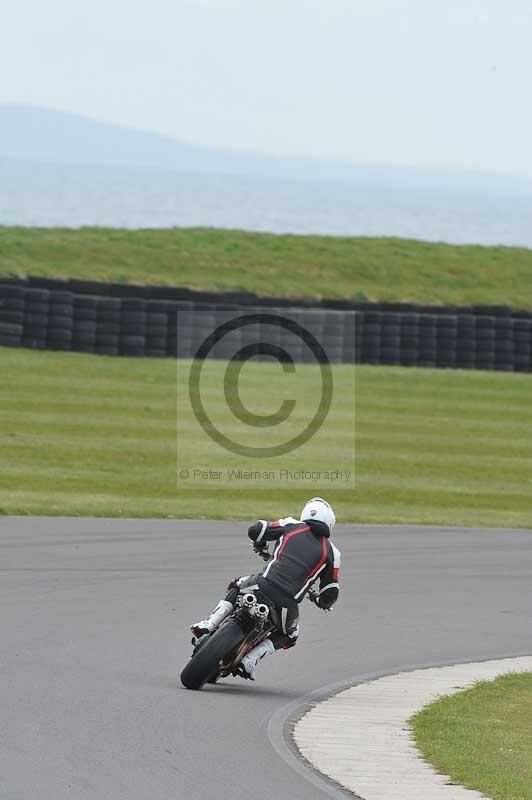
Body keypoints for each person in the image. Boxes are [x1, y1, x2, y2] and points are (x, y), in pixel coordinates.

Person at [190, 497, 341, 680]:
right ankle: (250, 660)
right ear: (330, 523)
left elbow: (256, 529)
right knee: (291, 635)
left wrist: (260, 545)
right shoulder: (333, 553)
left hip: (262, 585)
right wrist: (322, 602)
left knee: (237, 584)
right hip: (287, 604)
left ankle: (209, 624)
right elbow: (331, 592)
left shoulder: (291, 525)